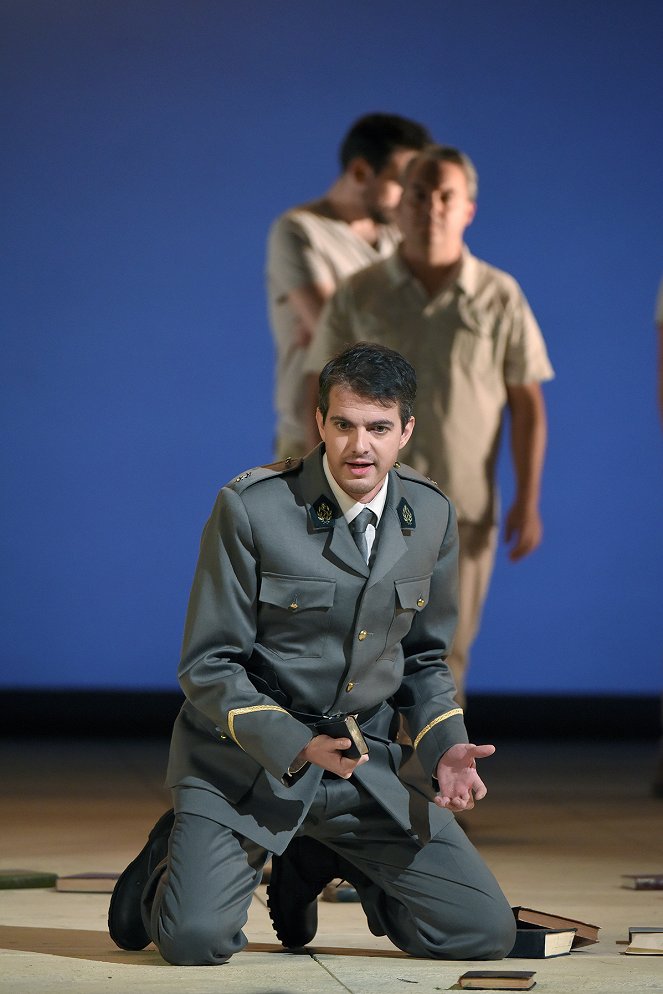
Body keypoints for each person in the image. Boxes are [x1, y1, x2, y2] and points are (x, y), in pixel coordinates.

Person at [108, 342, 516, 965]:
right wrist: (294, 744)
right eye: (345, 425)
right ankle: (168, 862)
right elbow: (207, 664)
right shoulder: (252, 508)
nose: (360, 446)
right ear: (319, 421)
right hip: (244, 765)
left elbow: (425, 660)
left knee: (482, 933)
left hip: (361, 771)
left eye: (379, 428)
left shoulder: (429, 514)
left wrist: (443, 744)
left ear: (406, 431)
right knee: (195, 942)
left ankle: (320, 856)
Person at [304, 145, 555, 703]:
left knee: (444, 651)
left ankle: (438, 778)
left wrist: (528, 499)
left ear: (468, 209)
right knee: (362, 647)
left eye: (446, 196)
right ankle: (366, 779)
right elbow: (317, 391)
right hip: (367, 502)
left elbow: (528, 403)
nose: (431, 207)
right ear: (398, 205)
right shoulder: (359, 292)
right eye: (418, 193)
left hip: (461, 510)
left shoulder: (498, 295)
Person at [266, 112, 431, 461]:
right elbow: (341, 343)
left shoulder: (396, 236)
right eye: (401, 181)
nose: (411, 197)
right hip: (316, 439)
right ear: (359, 172)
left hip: (393, 439)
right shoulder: (299, 231)